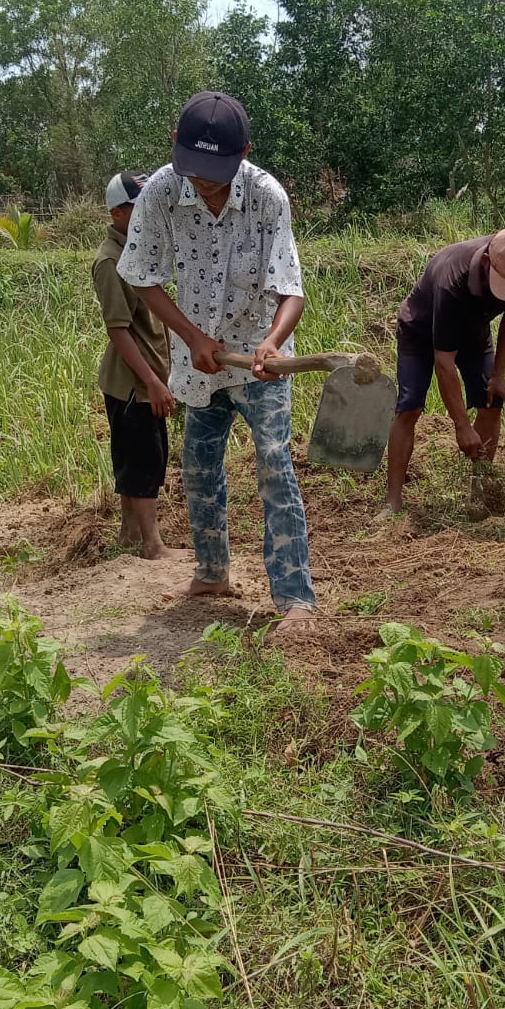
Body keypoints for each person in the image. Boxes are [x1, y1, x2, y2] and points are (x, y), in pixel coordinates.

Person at [117, 91, 316, 632]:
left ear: (244, 152)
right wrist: (192, 336)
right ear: (175, 149)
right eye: (194, 169)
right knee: (199, 468)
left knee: (275, 464)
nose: (204, 181)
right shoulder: (159, 192)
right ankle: (212, 572)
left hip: (259, 358)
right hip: (198, 362)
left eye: (216, 172)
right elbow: (141, 275)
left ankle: (296, 598)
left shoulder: (267, 196)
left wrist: (272, 344)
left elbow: (290, 288)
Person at [382, 227, 505, 516]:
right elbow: (444, 362)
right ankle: (393, 501)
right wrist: (461, 425)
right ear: (488, 262)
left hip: (474, 331)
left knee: (491, 401)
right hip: (419, 330)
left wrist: (498, 374)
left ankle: (480, 494)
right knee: (410, 406)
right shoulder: (452, 280)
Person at [92, 170, 183, 560]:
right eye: (137, 207)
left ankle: (130, 534)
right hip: (132, 381)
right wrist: (152, 381)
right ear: (117, 213)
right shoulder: (111, 263)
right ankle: (153, 544)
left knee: (136, 455)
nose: (147, 214)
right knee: (143, 459)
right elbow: (119, 330)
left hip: (144, 377)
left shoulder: (136, 254)